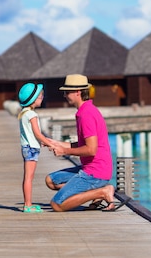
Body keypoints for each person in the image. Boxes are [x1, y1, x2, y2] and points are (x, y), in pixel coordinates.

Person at [45, 74, 127, 212]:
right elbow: (84, 143)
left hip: (95, 172)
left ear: (77, 92)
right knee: (51, 180)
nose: (64, 95)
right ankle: (95, 191)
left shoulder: (86, 115)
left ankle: (102, 192)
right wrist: (57, 143)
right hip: (89, 168)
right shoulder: (85, 110)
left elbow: (91, 150)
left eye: (67, 92)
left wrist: (64, 151)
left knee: (57, 205)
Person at [17, 82, 53, 213]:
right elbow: (37, 133)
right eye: (40, 96)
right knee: (29, 177)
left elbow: (30, 134)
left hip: (26, 147)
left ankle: (27, 203)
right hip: (32, 149)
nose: (42, 98)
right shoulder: (32, 115)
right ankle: (27, 205)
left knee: (27, 176)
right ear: (33, 100)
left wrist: (42, 142)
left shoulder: (23, 113)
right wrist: (50, 143)